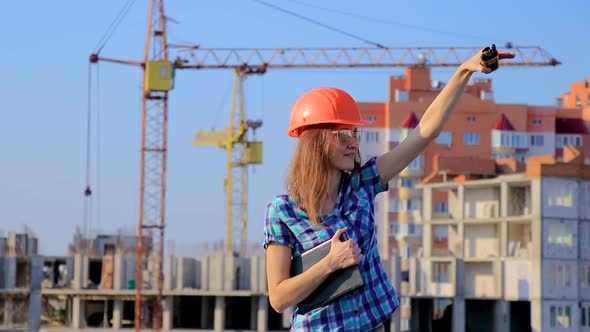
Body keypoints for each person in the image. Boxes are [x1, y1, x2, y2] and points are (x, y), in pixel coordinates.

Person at [263, 47, 515, 331]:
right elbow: (278, 298)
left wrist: (463, 71)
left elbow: (425, 132)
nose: (354, 142)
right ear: (316, 142)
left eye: (356, 134)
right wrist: (329, 263)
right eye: (344, 134)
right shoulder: (282, 211)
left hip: (375, 324)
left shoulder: (363, 184)